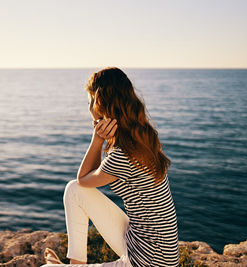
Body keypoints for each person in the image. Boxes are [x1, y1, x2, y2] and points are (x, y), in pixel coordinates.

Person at [41, 67, 179, 267]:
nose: (88, 108)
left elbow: (84, 179)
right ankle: (76, 264)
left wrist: (97, 140)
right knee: (74, 189)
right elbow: (84, 184)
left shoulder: (123, 155)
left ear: (100, 103)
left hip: (147, 262)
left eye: (90, 101)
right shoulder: (143, 137)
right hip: (154, 249)